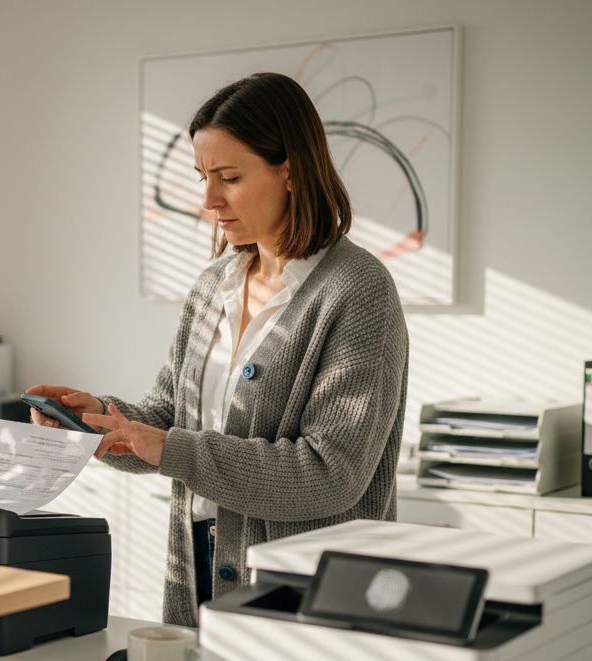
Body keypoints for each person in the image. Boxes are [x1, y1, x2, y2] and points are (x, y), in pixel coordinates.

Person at [26, 72, 409, 628]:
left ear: (292, 170)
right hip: (202, 560)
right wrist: (97, 420)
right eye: (203, 176)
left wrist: (167, 446)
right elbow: (169, 420)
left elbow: (331, 475)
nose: (208, 200)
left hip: (308, 591)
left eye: (229, 177)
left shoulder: (357, 292)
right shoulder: (215, 286)